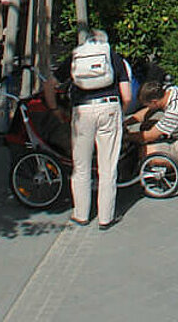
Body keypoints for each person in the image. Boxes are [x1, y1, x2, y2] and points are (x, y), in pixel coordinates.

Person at [66, 28, 137, 229]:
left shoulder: (75, 56)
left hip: (82, 111)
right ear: (104, 42)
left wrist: (54, 108)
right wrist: (121, 113)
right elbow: (127, 96)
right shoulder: (114, 57)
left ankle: (81, 214)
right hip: (109, 108)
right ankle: (106, 218)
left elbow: (51, 82)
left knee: (81, 166)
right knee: (108, 166)